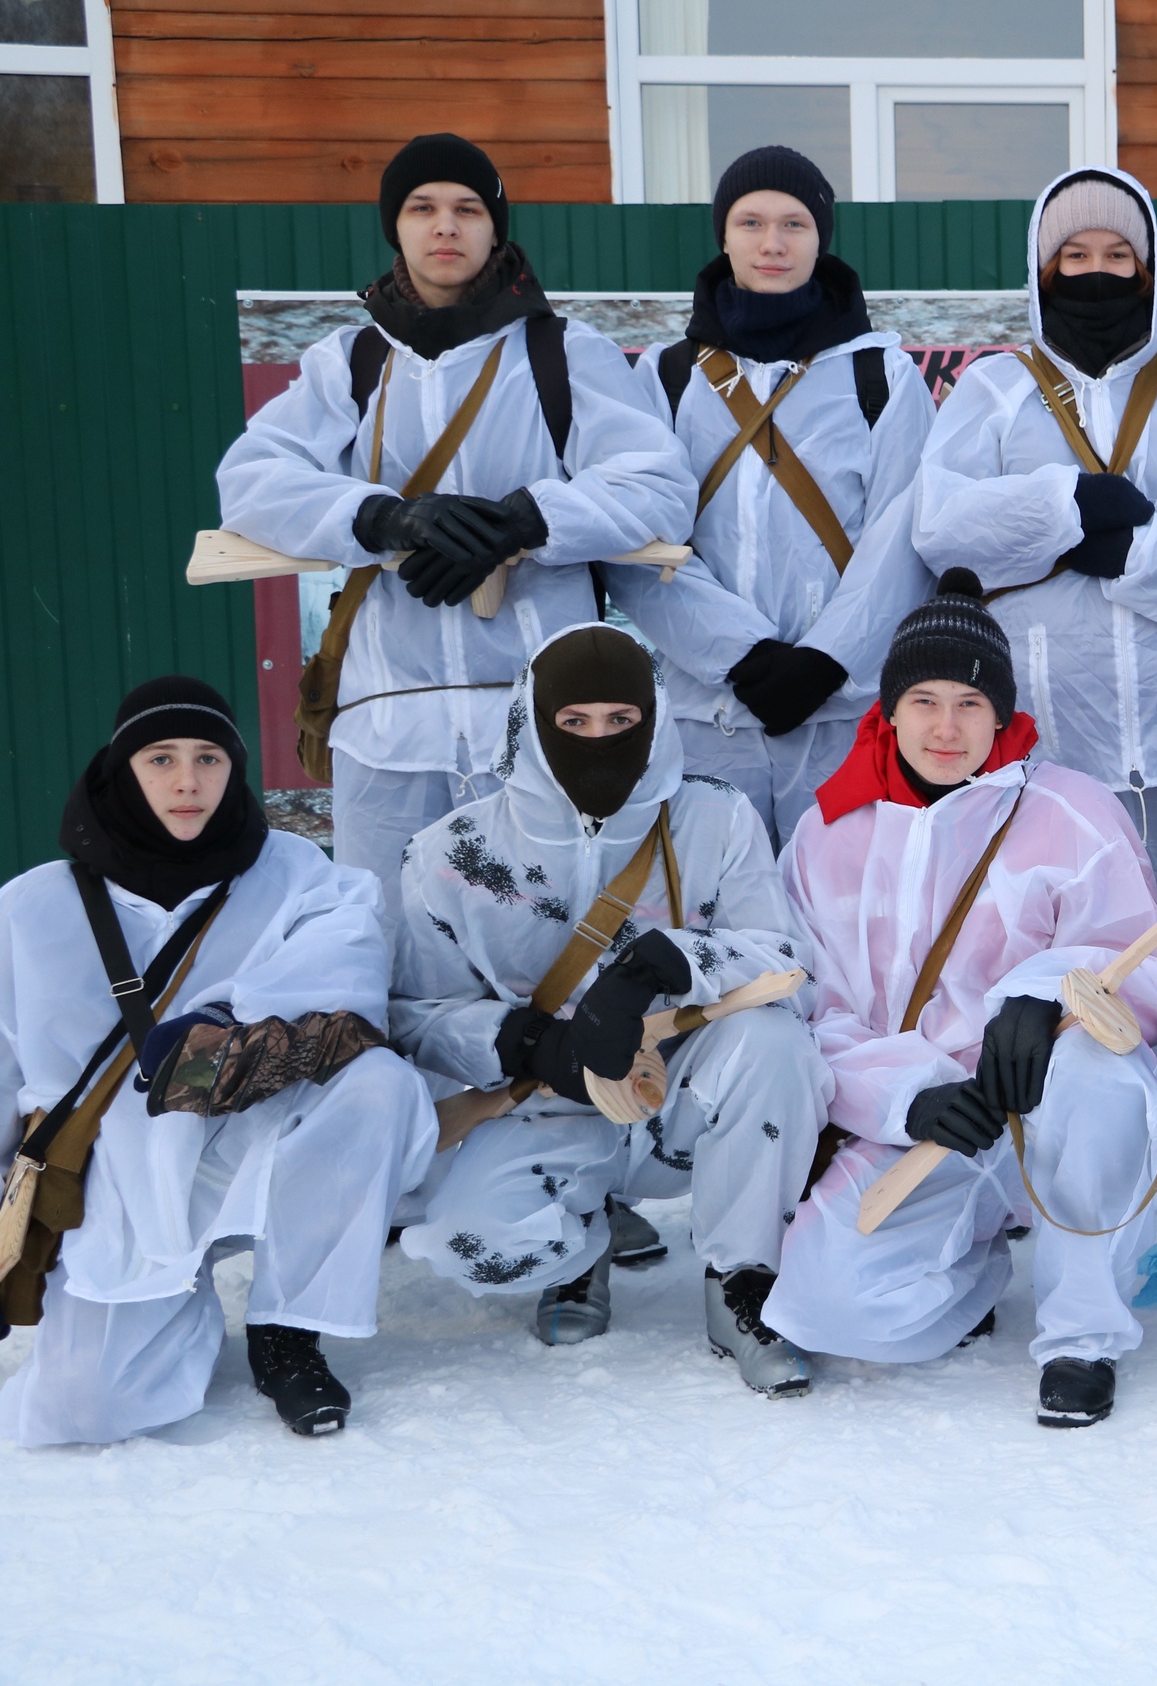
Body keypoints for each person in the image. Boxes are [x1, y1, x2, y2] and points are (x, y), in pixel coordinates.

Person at [216, 133, 693, 898]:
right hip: (387, 729)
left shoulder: (562, 354)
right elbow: (250, 480)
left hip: (540, 724)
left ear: (495, 228)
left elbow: (658, 483)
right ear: (395, 227)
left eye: (468, 209)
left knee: (541, 945)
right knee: (385, 949)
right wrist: (382, 520)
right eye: (422, 207)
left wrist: (526, 520)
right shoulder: (349, 362)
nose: (446, 226)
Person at [768, 571, 1157, 1427]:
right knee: (826, 1307)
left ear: (1002, 712)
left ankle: (1080, 1336)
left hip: (1050, 1104)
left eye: (969, 701)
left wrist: (1045, 990)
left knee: (1100, 1080)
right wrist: (906, 1097)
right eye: (923, 700)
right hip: (924, 1118)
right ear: (888, 709)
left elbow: (1153, 966)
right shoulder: (826, 833)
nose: (946, 727)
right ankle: (977, 1260)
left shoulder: (1072, 809)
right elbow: (811, 1007)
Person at [388, 623, 829, 1393]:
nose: (600, 739)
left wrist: (671, 958)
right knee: (472, 1241)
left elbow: (784, 959)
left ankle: (743, 1282)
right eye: (575, 721)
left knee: (774, 1039)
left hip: (680, 1081)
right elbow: (418, 1013)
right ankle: (580, 1250)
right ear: (534, 719)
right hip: (546, 1102)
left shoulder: (715, 817)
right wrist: (522, 1041)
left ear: (654, 717)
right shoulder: (448, 853)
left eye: (622, 721)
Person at [0, 680, 438, 1444]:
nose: (186, 781)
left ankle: (287, 1327)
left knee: (376, 1084)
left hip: (248, 1128)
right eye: (160, 757)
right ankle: (176, 1303)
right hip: (118, 1181)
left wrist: (224, 1022)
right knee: (81, 1411)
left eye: (209, 758)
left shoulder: (294, 874)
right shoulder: (30, 909)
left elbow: (347, 970)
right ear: (120, 769)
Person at [911, 166, 1157, 892]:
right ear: (1045, 271)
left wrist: (1130, 547)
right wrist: (1066, 505)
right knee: (1052, 933)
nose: (1096, 272)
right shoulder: (994, 390)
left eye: (1116, 256)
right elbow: (943, 526)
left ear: (1146, 269)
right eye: (1075, 256)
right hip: (1043, 732)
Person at [619, 146, 937, 842]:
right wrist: (742, 655)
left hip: (844, 715)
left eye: (794, 223)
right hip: (707, 714)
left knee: (844, 921)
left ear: (821, 238)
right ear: (722, 235)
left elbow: (903, 537)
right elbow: (640, 541)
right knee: (712, 918)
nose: (772, 243)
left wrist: (825, 661)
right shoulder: (667, 377)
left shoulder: (881, 376)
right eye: (750, 222)